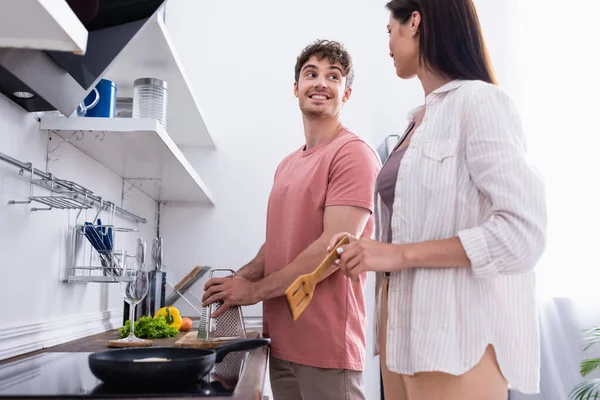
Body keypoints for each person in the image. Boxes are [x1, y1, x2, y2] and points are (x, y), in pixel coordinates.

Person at [328, 1, 547, 399]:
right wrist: (369, 252)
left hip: (456, 339)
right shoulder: (417, 121)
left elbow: (523, 233)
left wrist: (397, 255)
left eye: (389, 29)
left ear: (414, 21)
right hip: (398, 333)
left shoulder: (480, 102)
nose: (388, 43)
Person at [202, 39, 381, 400]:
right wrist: (241, 277)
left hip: (327, 348)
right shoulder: (287, 165)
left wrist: (253, 292)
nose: (321, 83)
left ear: (346, 94)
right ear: (295, 87)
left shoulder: (353, 154)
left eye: (334, 76)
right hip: (281, 343)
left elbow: (332, 248)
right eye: (311, 73)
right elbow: (282, 241)